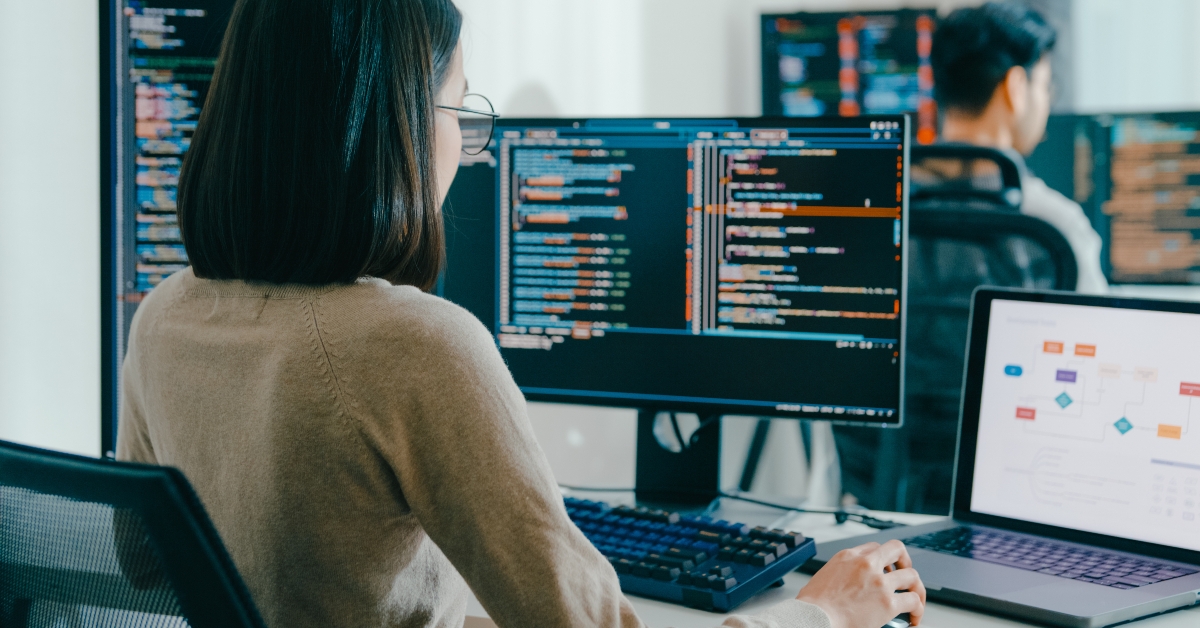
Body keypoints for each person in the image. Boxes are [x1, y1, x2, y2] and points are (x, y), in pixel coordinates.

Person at [116, 1, 927, 627]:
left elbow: (144, 565)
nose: (465, 153)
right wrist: (825, 611)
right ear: (392, 127)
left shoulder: (164, 318)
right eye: (459, 114)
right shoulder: (417, 346)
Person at [932, 2, 1108, 294]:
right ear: (1015, 89)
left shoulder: (889, 207)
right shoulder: (1052, 226)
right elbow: (1098, 334)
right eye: (1044, 85)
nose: (1047, 102)